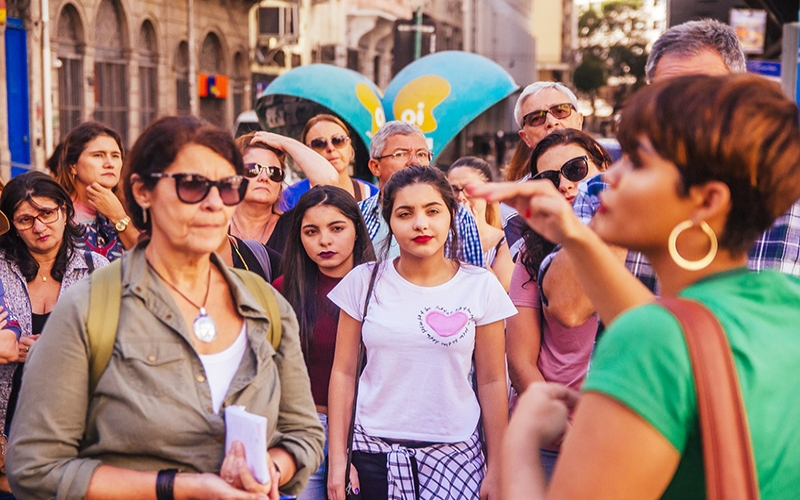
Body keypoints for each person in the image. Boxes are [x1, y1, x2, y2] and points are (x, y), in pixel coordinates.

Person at [471, 74, 800, 498]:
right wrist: (576, 235)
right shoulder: (779, 301)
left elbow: (658, 335)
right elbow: (683, 332)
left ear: (708, 201)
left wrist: (522, 436)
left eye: (638, 162)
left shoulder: (648, 341)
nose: (608, 176)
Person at [7, 116, 324, 499]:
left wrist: (266, 469)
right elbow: (35, 467)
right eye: (192, 185)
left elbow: (304, 434)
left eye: (227, 187)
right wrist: (179, 487)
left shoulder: (266, 305)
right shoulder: (89, 309)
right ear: (142, 191)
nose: (212, 204)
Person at [540, 18, 800, 332]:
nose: (680, 113)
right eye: (666, 96)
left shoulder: (788, 205)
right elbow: (567, 308)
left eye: (700, 95)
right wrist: (620, 212)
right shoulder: (606, 190)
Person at [327, 166, 516, 500]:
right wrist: (339, 460)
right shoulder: (364, 281)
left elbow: (492, 381)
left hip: (457, 460)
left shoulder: (480, 285)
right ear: (389, 220)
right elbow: (343, 373)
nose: (420, 224)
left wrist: (500, 466)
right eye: (405, 213)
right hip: (372, 457)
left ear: (451, 215)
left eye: (432, 211)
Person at [505, 130, 610, 478]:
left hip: (626, 435)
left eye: (576, 169)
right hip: (553, 441)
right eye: (549, 180)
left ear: (602, 166)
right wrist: (564, 428)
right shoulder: (530, 253)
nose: (565, 185)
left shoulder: (642, 241)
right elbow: (520, 360)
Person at [273, 185, 376, 500]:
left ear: (357, 231)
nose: (325, 240)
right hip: (304, 429)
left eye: (337, 228)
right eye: (311, 231)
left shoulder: (383, 288)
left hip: (370, 433)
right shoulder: (281, 291)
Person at [0, 172, 110, 436]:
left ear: (64, 211)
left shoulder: (96, 269)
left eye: (47, 214)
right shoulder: (1, 269)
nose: (39, 227)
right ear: (13, 225)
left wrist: (54, 350)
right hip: (8, 423)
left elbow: (112, 345)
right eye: (26, 220)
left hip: (74, 423)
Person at [359, 121, 485, 267]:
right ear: (375, 167)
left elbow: (473, 280)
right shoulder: (358, 214)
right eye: (400, 154)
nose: (414, 162)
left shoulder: (458, 215)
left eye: (421, 154)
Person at [503, 82, 585, 259]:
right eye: (536, 118)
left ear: (579, 120)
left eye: (561, 111)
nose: (551, 122)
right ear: (525, 137)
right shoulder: (515, 206)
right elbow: (529, 274)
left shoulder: (618, 179)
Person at [228, 131, 338, 255]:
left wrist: (284, 142)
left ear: (280, 184)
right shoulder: (216, 225)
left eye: (274, 172)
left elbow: (329, 181)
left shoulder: (293, 225)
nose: (264, 177)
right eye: (253, 169)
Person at [55, 121, 138, 261]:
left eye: (116, 156)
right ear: (73, 166)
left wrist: (118, 217)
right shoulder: (57, 214)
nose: (109, 164)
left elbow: (152, 263)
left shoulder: (136, 209)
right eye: (98, 155)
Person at [279, 114, 378, 211]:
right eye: (319, 144)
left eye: (338, 140)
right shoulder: (289, 198)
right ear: (307, 153)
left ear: (350, 147)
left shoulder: (374, 195)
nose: (330, 148)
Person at [447, 157, 513, 291]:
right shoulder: (441, 238)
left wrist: (472, 237)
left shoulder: (505, 242)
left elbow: (498, 293)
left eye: (469, 189)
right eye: (454, 189)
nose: (461, 197)